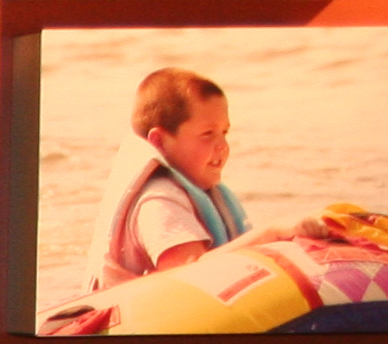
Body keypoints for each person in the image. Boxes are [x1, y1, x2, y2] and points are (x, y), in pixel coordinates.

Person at [76, 67, 321, 292]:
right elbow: (190, 273)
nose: (222, 146)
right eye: (207, 134)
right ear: (160, 142)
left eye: (224, 132)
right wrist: (273, 232)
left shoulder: (199, 191)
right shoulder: (158, 201)